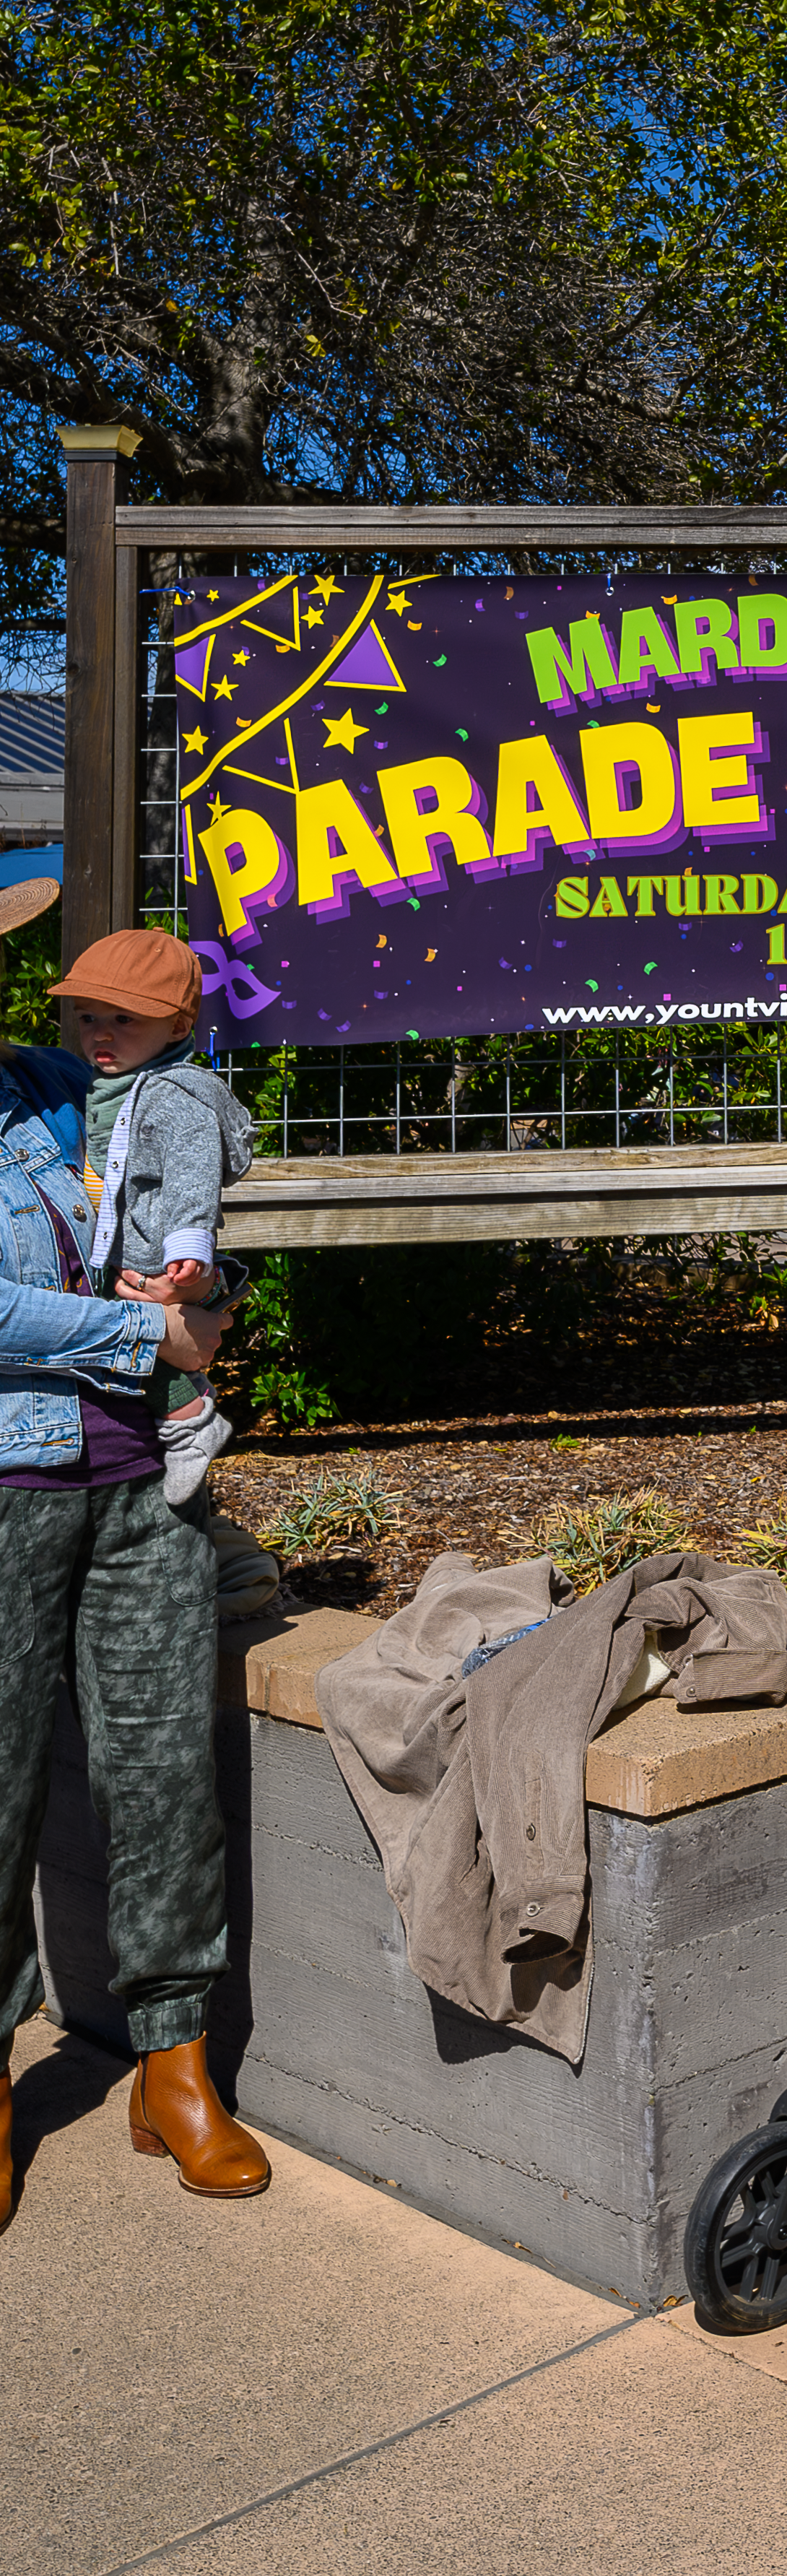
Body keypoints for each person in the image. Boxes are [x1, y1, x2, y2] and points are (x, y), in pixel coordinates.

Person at [0, 879, 253, 2229]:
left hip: (142, 1483)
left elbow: (182, 1197)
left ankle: (175, 2065)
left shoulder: (58, 1082)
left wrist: (200, 1290)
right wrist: (145, 1338)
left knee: (165, 1769)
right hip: (8, 1483)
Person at [52, 930, 254, 1518]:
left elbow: (194, 1166)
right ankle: (188, 1418)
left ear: (176, 1027)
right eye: (88, 1017)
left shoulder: (173, 1092)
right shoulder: (112, 1083)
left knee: (150, 1341)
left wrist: (189, 1241)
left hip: (158, 1247)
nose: (101, 1033)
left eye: (125, 1017)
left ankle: (191, 1426)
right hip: (131, 1240)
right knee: (144, 1343)